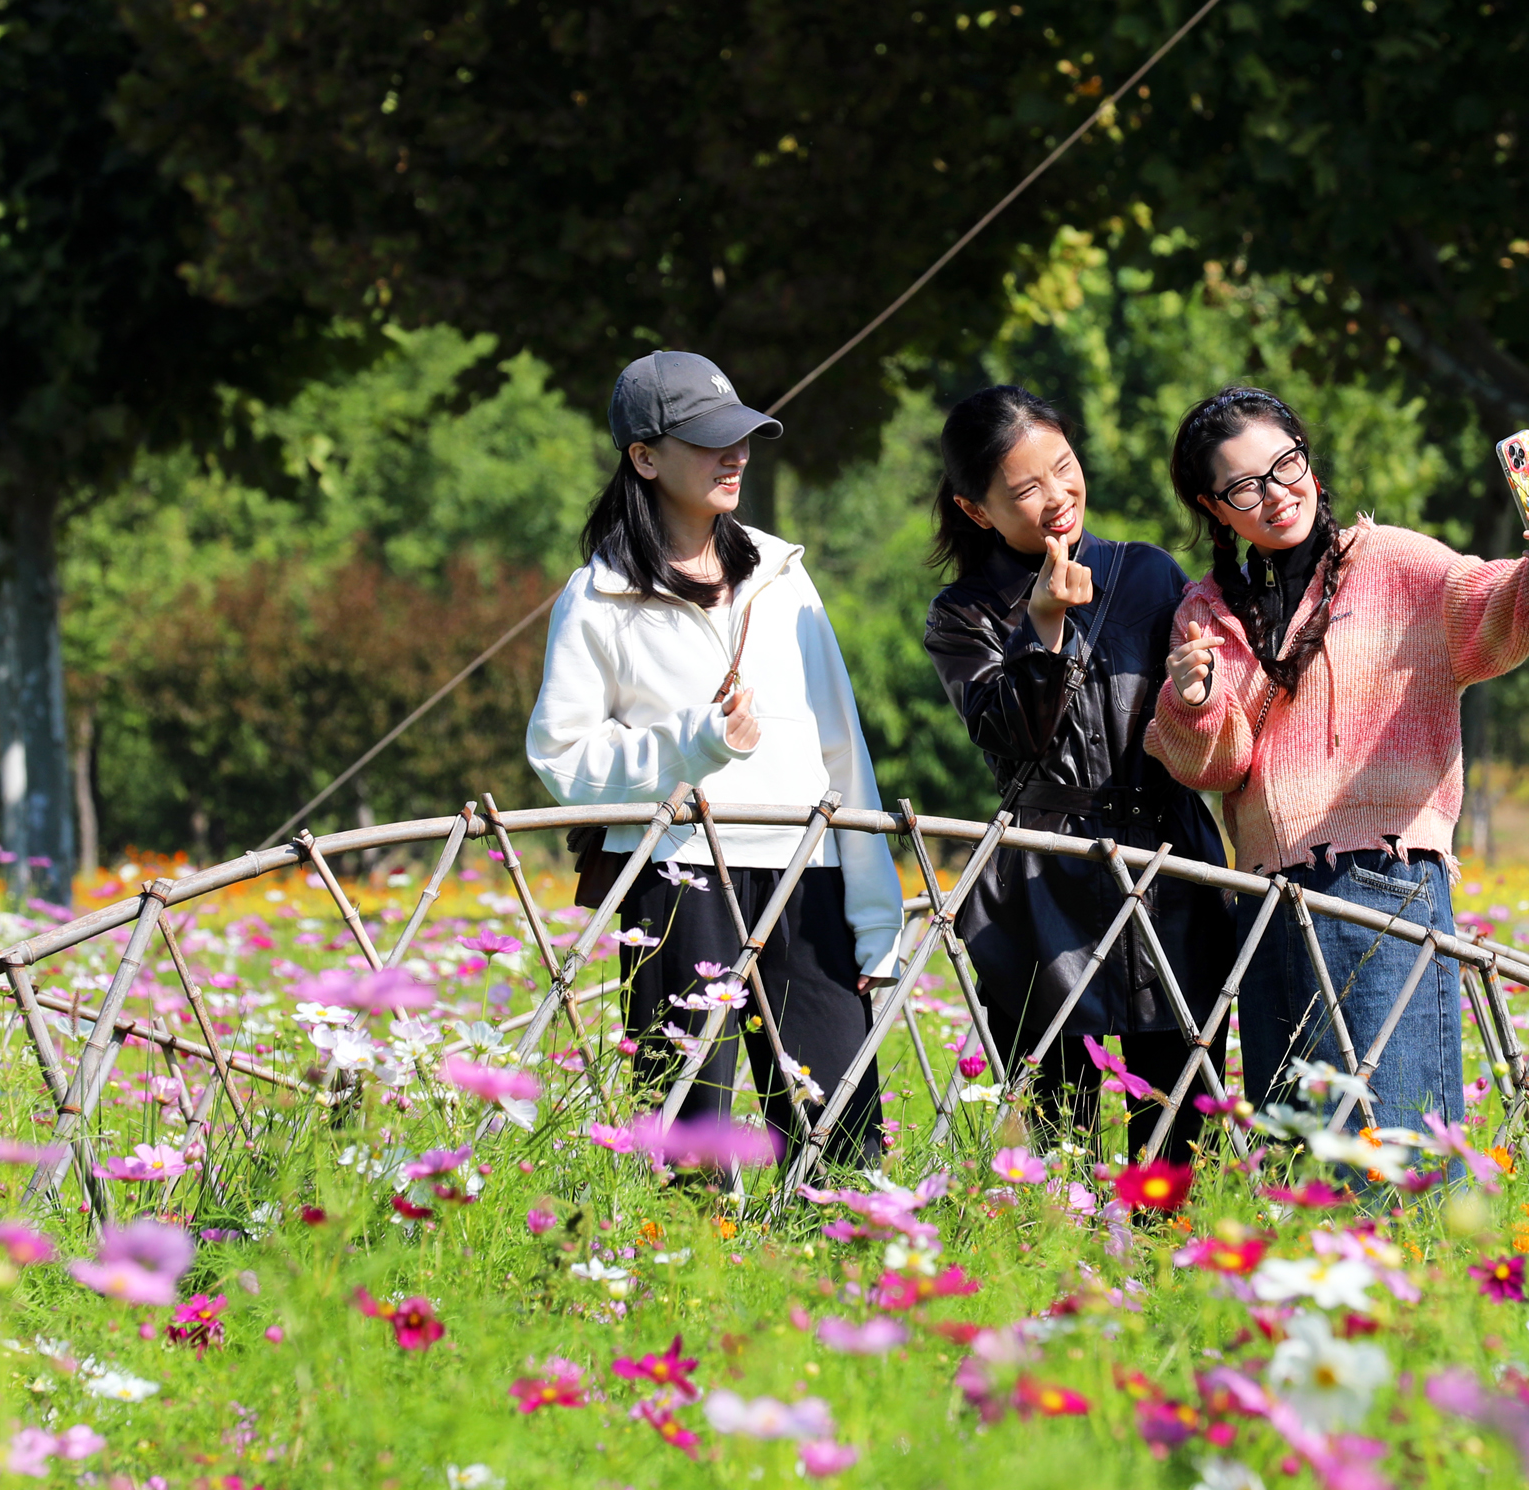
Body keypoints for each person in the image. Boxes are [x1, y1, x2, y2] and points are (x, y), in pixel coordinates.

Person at [1145, 386, 1529, 1136]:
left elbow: (1507, 607)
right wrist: (1190, 701)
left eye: (1286, 465)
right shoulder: (1206, 613)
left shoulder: (1395, 563)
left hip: (1389, 878)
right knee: (1299, 1149)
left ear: (1309, 463)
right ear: (1213, 506)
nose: (1276, 495)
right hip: (1268, 897)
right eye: (1244, 487)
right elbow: (1217, 767)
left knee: (1398, 1138)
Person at [526, 350, 902, 1166]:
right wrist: (692, 744)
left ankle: (845, 1252)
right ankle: (699, 1253)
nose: (735, 454)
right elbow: (560, 756)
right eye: (707, 440)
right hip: (677, 881)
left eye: (742, 435)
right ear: (644, 456)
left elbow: (843, 749)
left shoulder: (782, 577)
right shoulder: (597, 596)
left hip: (809, 872)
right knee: (692, 1150)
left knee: (844, 1144)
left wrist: (877, 913)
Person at [922, 387, 1235, 1161]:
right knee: (1058, 1134)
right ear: (977, 509)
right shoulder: (964, 613)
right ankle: (1067, 1241)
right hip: (1042, 882)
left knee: (1175, 1127)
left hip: (1169, 866)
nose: (1058, 496)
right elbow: (1013, 738)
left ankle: (1167, 1238)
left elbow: (1200, 715)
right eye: (1026, 489)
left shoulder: (1149, 574)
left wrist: (1196, 687)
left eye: (1064, 467)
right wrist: (1043, 625)